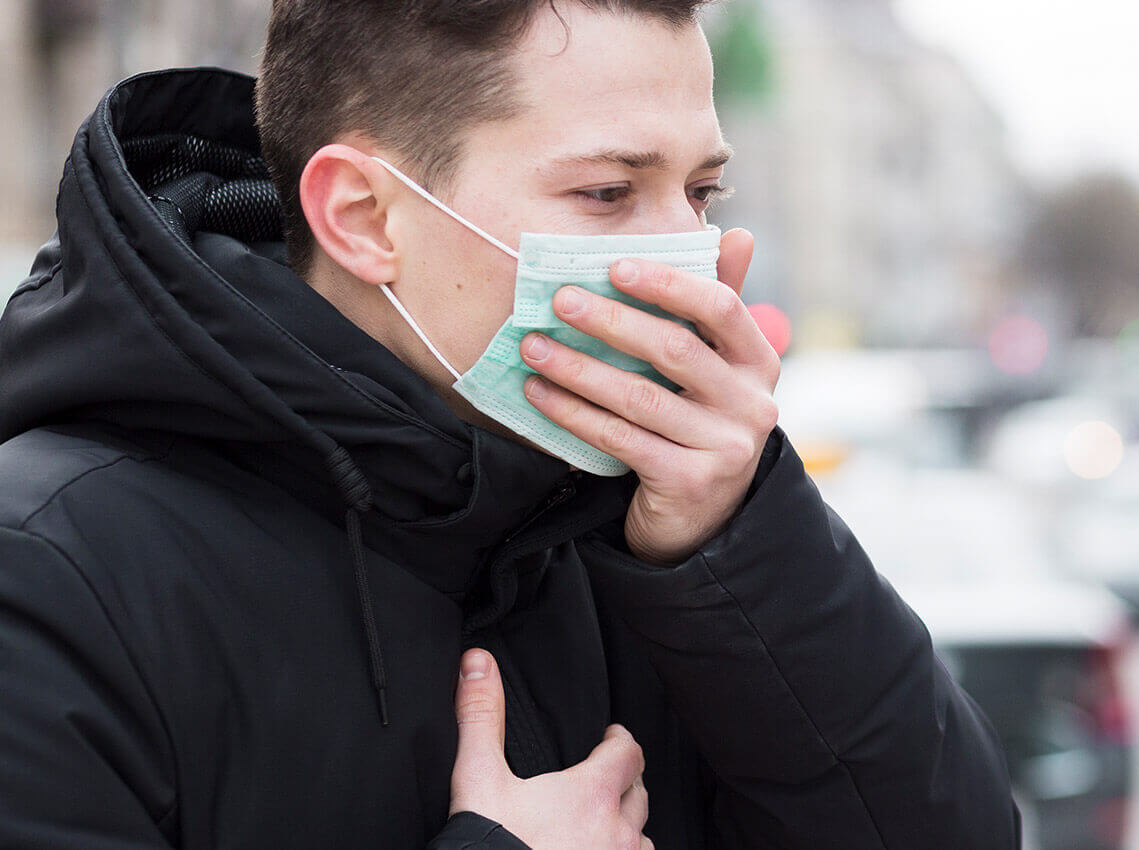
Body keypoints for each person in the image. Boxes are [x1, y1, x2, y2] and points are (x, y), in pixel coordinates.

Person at [0, 1, 1019, 848]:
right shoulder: (48, 573)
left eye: (702, 191)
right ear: (362, 217)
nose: (693, 257)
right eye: (609, 191)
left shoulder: (646, 522)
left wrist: (739, 539)